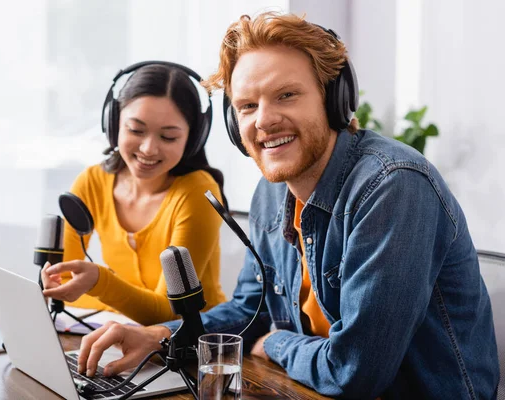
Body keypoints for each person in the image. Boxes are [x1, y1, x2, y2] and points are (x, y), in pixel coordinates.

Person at [71, 12, 499, 399]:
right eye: (247, 106)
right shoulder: (272, 192)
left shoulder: (393, 187)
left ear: (333, 100)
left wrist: (275, 343)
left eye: (287, 95)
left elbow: (354, 372)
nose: (263, 120)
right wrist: (159, 335)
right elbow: (248, 310)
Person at [41, 62, 227, 326]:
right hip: (125, 336)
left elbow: (170, 312)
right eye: (136, 130)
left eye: (169, 137)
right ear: (114, 123)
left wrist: (97, 282)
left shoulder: (198, 192)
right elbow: (62, 286)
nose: (149, 148)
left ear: (193, 139)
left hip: (197, 344)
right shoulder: (92, 182)